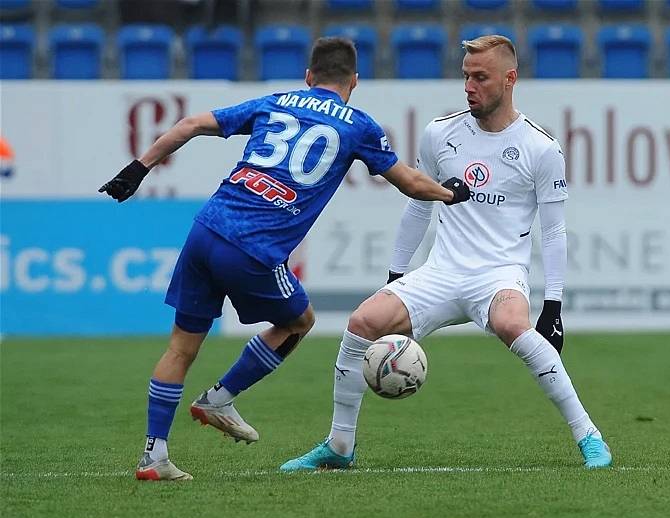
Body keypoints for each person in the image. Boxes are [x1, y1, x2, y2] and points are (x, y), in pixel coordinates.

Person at [99, 37, 470, 481]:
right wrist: (451, 192)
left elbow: (191, 123)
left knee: (180, 347)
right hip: (253, 248)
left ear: (309, 77)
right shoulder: (358, 125)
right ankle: (220, 397)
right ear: (354, 81)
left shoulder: (276, 102)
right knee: (299, 321)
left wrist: (137, 168)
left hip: (206, 229)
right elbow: (409, 182)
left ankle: (154, 456)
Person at [281, 35, 612, 472]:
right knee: (362, 323)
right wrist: (397, 275)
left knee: (514, 324)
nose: (469, 86)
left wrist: (553, 304)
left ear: (510, 79)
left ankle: (589, 435)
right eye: (466, 77)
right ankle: (339, 447)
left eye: (480, 77)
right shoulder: (441, 133)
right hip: (441, 272)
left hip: (499, 274)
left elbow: (553, 231)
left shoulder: (540, 148)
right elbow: (418, 206)